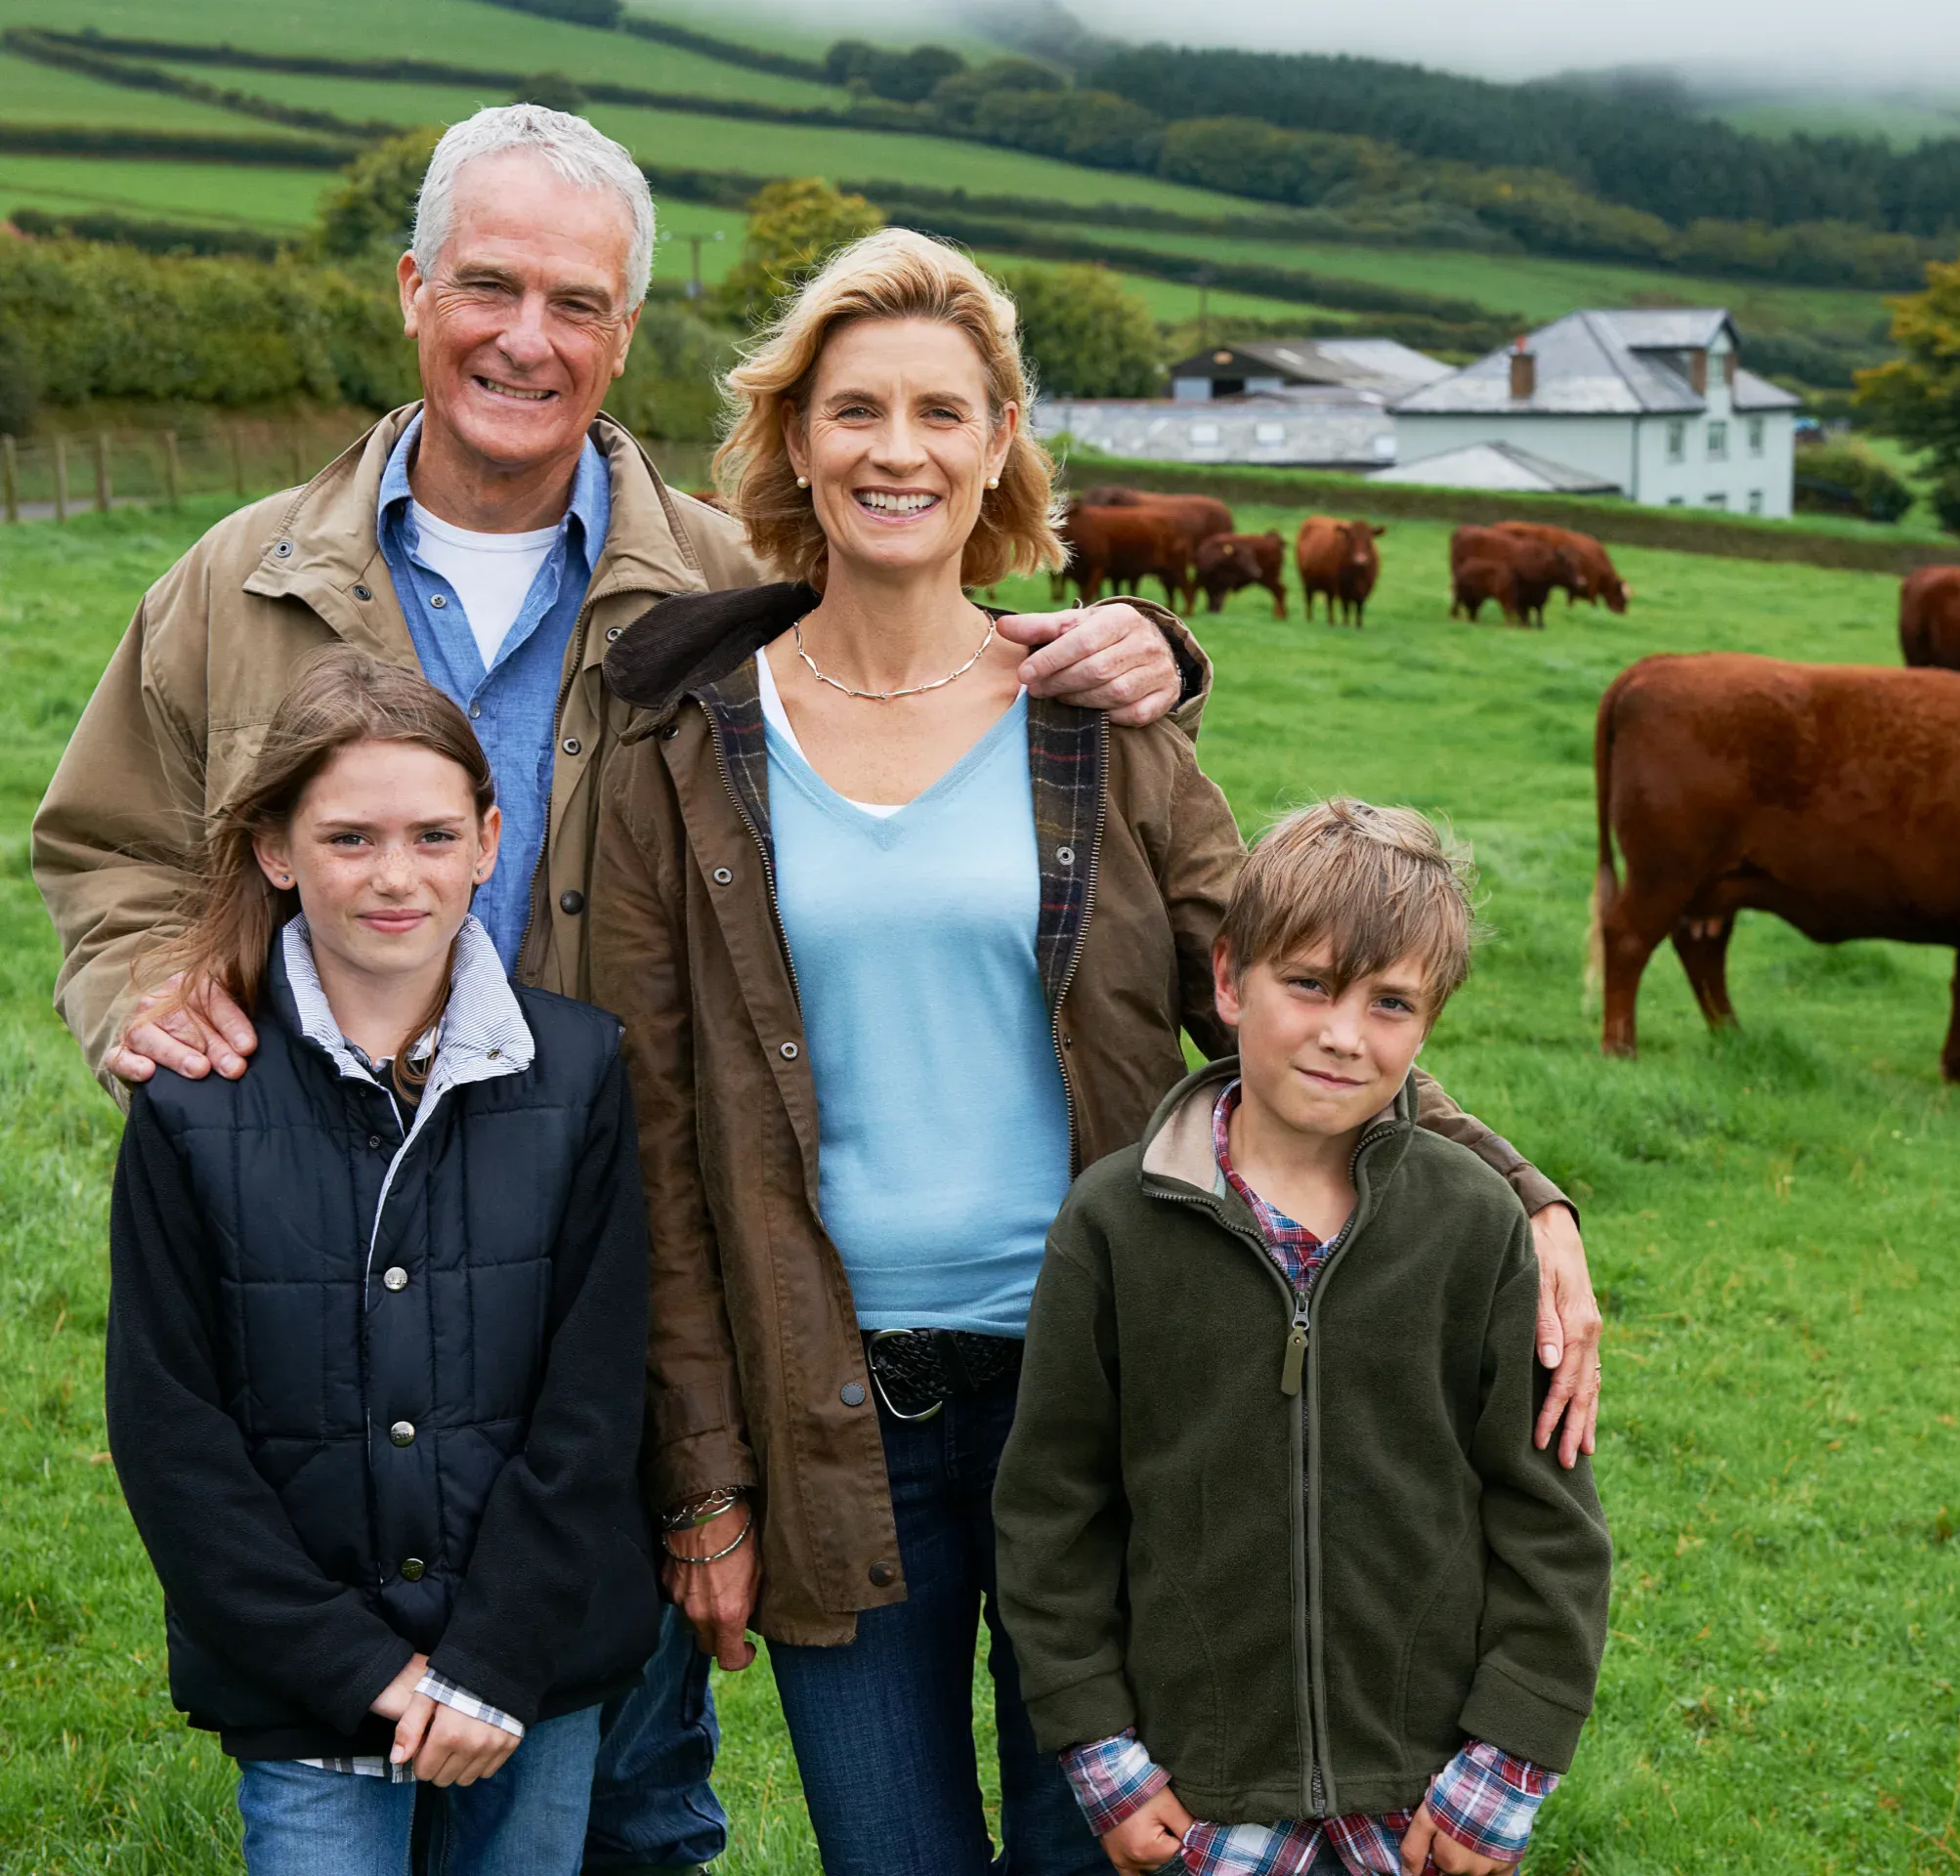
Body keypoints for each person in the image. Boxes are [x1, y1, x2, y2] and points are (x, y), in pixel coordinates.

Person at [30, 106, 1200, 1872]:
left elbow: (927, 634)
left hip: (624, 1253)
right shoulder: (241, 582)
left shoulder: (726, 583)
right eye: (486, 284)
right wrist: (143, 989)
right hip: (332, 1249)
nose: (527, 335)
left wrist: (1158, 651)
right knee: (343, 1726)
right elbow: (108, 840)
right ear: (415, 290)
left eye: (577, 301)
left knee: (634, 1762)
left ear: (627, 333)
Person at [588, 227, 1599, 1876]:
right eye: (853, 410)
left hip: (1125, 1394)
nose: (894, 450)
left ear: (999, 448)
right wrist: (702, 1476)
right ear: (793, 441)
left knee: (1112, 1855)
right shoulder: (694, 744)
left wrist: (1516, 1186)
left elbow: (1278, 999)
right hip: (837, 1412)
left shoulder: (1093, 718)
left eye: (940, 411)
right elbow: (658, 1133)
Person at [104, 648, 660, 1875]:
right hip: (305, 1688)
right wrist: (362, 1668)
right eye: (349, 839)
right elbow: (170, 1428)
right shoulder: (192, 1100)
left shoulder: (577, 1073)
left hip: (529, 1670)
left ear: (488, 840)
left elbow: (594, 1399)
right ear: (276, 850)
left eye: (431, 835)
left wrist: (491, 1661)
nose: (395, 877)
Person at [994, 801, 1612, 1876]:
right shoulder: (1113, 1226)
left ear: (1427, 1027)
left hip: (1426, 1804)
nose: (1342, 1034)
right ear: (1229, 980)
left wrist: (1503, 1766)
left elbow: (1550, 1523)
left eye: (1390, 1003)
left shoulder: (1473, 1228)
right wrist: (1104, 1756)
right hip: (1199, 1797)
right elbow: (1053, 1514)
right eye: (1310, 984)